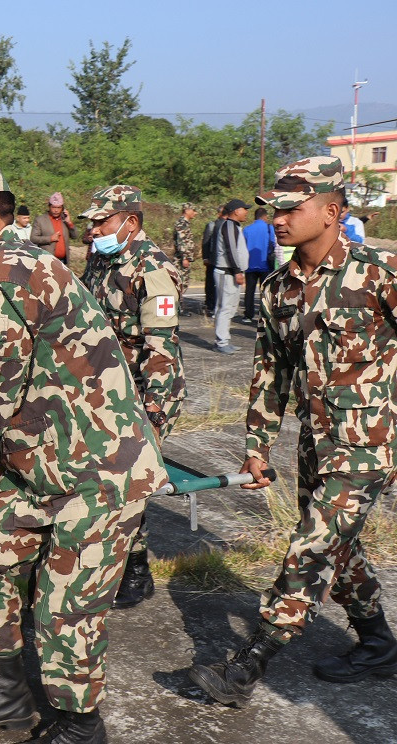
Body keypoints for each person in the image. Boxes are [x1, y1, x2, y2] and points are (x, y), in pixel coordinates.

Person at [0, 163, 167, 743]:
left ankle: (80, 726)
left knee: (64, 607)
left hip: (100, 471)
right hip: (48, 468)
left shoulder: (14, 275)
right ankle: (7, 696)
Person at [190, 156, 397, 707]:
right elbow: (271, 372)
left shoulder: (381, 271)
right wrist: (257, 445)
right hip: (316, 442)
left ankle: (248, 663)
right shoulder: (279, 288)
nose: (276, 219)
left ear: (330, 211)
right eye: (272, 208)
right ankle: (377, 644)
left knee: (311, 546)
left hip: (368, 442)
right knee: (340, 546)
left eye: (290, 208)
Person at [79, 184, 186, 610]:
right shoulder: (101, 259)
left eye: (101, 221)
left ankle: (135, 569)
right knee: (98, 477)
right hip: (106, 388)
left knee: (129, 482)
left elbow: (161, 350)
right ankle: (108, 560)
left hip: (147, 389)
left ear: (130, 222)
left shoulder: (153, 269)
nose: (93, 229)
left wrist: (153, 415)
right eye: (91, 221)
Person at [211, 199, 250, 353]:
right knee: (224, 307)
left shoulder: (234, 226)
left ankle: (224, 339)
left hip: (231, 273)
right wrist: (237, 271)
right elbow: (231, 250)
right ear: (236, 211)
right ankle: (221, 343)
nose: (246, 212)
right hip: (227, 273)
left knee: (231, 308)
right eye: (244, 209)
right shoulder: (228, 226)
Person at [241, 207, 277, 323]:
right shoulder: (269, 228)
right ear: (265, 217)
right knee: (265, 291)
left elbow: (242, 246)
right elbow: (274, 244)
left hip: (250, 265)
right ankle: (264, 314)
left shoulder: (246, 230)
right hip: (265, 265)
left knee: (249, 291)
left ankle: (248, 315)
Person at [30, 192, 77, 270]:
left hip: (63, 262)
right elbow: (33, 238)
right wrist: (50, 238)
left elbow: (75, 236)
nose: (56, 210)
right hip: (47, 261)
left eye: (58, 208)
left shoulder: (64, 220)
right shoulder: (40, 220)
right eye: (53, 207)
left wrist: (69, 222)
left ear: (62, 208)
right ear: (49, 207)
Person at [172, 202, 197, 313]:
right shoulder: (182, 224)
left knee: (183, 284)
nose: (195, 213)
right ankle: (178, 308)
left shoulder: (185, 223)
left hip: (183, 258)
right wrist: (185, 257)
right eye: (193, 210)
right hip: (181, 260)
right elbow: (181, 242)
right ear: (187, 210)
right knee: (181, 283)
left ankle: (179, 307)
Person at [201, 207, 227, 316]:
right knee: (211, 283)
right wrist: (205, 257)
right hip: (212, 259)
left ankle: (218, 305)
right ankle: (210, 305)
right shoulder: (212, 225)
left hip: (222, 260)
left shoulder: (228, 225)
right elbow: (206, 241)